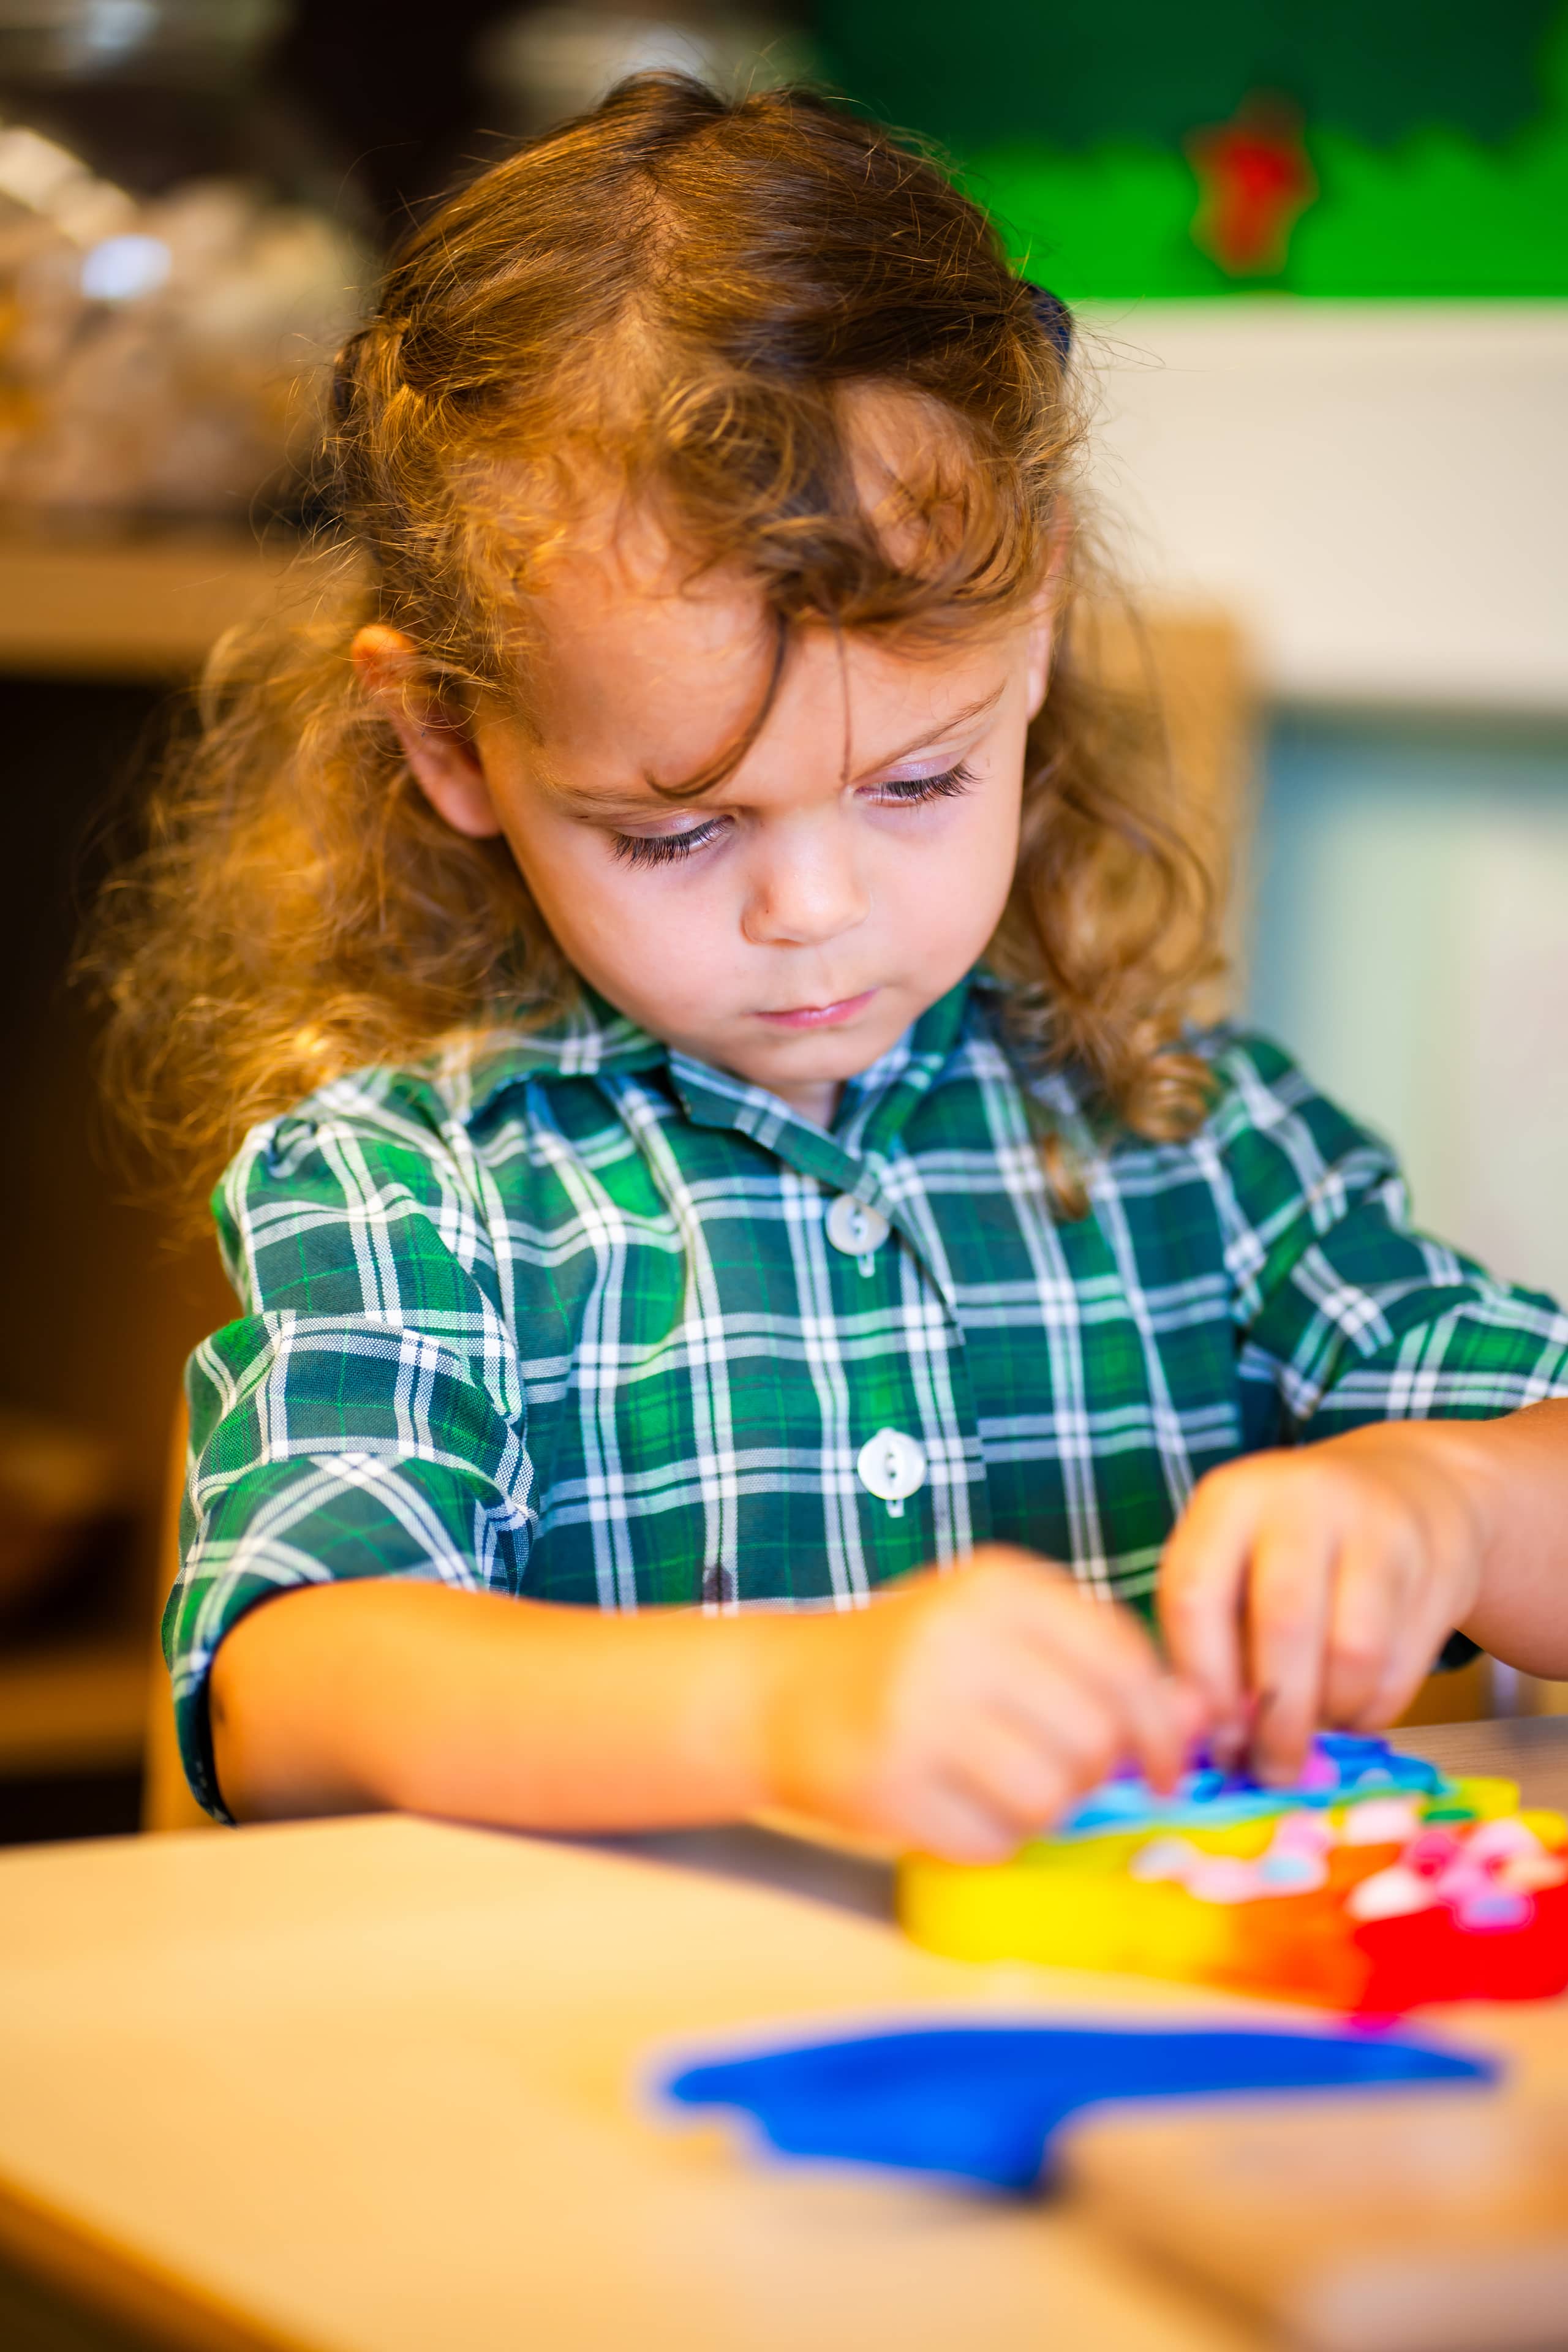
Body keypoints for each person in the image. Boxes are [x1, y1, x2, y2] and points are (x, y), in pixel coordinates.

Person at [97, 77, 1568, 1858]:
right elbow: (290, 1695)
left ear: (1029, 659)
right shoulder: (417, 1189)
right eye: (678, 827)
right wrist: (781, 1710)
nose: (814, 906)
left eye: (920, 782)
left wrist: (1455, 1501)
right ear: (451, 746)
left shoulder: (1199, 1142)